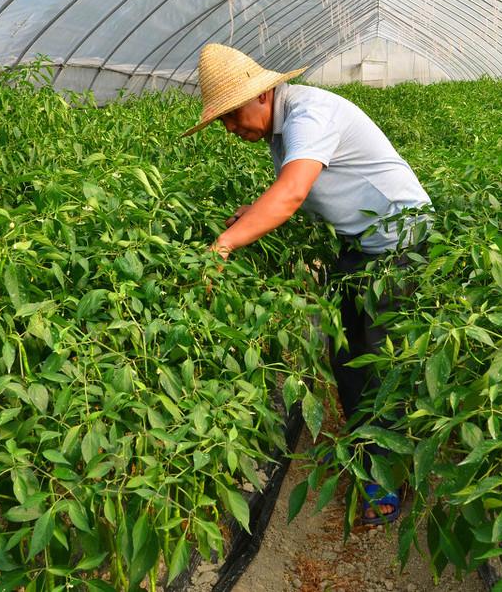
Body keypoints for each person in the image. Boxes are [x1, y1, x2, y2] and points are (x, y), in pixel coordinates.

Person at [181, 43, 431, 525]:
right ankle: (367, 451)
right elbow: (286, 186)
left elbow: (293, 192)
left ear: (262, 96)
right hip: (362, 244)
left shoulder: (309, 114)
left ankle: (389, 477)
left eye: (232, 116)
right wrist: (247, 215)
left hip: (398, 244)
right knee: (346, 351)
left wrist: (225, 245)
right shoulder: (281, 126)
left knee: (377, 357)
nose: (231, 130)